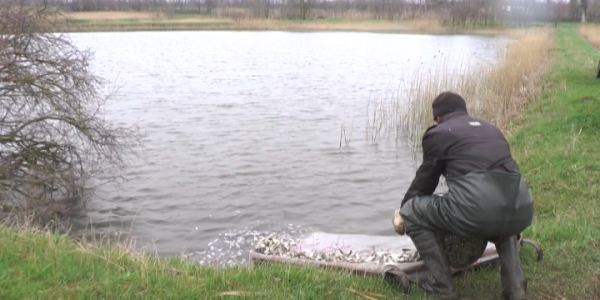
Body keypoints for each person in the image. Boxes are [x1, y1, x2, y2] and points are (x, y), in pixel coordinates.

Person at [392, 91, 535, 300]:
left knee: (413, 211)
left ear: (438, 117)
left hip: (478, 209)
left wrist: (404, 211)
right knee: (501, 214)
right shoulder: (492, 129)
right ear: (464, 111)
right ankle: (516, 289)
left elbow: (425, 183)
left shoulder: (438, 133)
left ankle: (442, 289)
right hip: (521, 206)